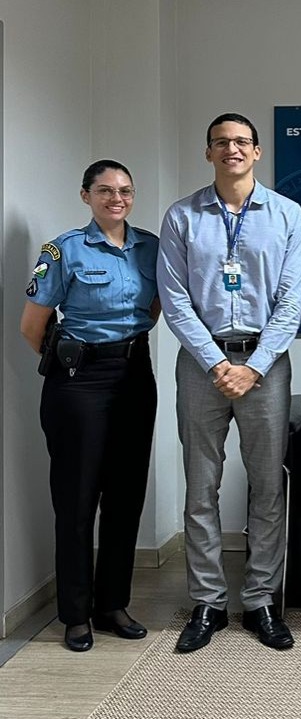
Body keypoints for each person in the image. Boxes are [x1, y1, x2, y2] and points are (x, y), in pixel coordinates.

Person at [157, 113, 301, 653]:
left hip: (265, 367)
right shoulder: (182, 216)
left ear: (258, 151)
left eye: (241, 142)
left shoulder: (288, 215)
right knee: (201, 486)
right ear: (208, 153)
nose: (232, 150)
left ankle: (262, 601)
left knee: (267, 487)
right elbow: (173, 299)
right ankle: (208, 603)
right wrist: (215, 362)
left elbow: (292, 302)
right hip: (201, 366)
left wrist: (254, 364)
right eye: (221, 142)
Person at [20, 160, 159, 652]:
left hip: (135, 374)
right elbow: (32, 326)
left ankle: (111, 604)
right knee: (77, 499)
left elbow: (155, 308)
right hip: (79, 381)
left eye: (124, 190)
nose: (116, 199)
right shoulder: (64, 250)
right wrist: (75, 361)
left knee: (125, 496)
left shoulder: (150, 246)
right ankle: (75, 614)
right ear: (86, 196)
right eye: (104, 191)